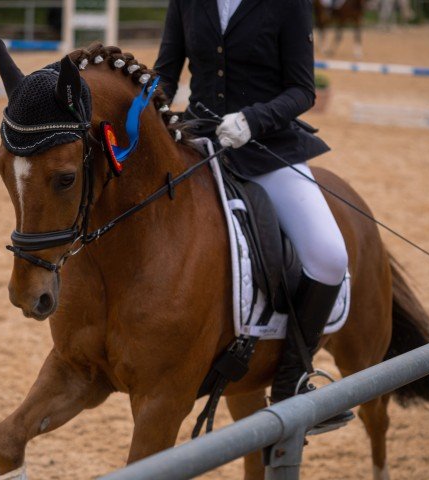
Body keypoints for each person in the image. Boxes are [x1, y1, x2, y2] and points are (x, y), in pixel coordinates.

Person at [154, 0, 353, 428]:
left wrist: (254, 119)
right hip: (198, 143)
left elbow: (302, 90)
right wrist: (149, 112)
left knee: (329, 255)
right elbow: (166, 72)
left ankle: (292, 381)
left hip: (266, 148)